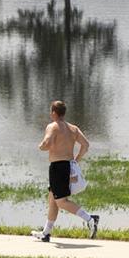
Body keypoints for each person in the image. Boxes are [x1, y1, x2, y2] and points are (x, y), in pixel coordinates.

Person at [32, 100, 98, 242]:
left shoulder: (52, 126)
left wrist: (41, 146)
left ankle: (90, 219)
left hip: (57, 168)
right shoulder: (73, 128)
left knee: (61, 201)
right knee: (52, 199)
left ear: (54, 113)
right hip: (67, 165)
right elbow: (85, 145)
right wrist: (76, 159)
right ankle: (46, 233)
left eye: (51, 112)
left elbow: (46, 143)